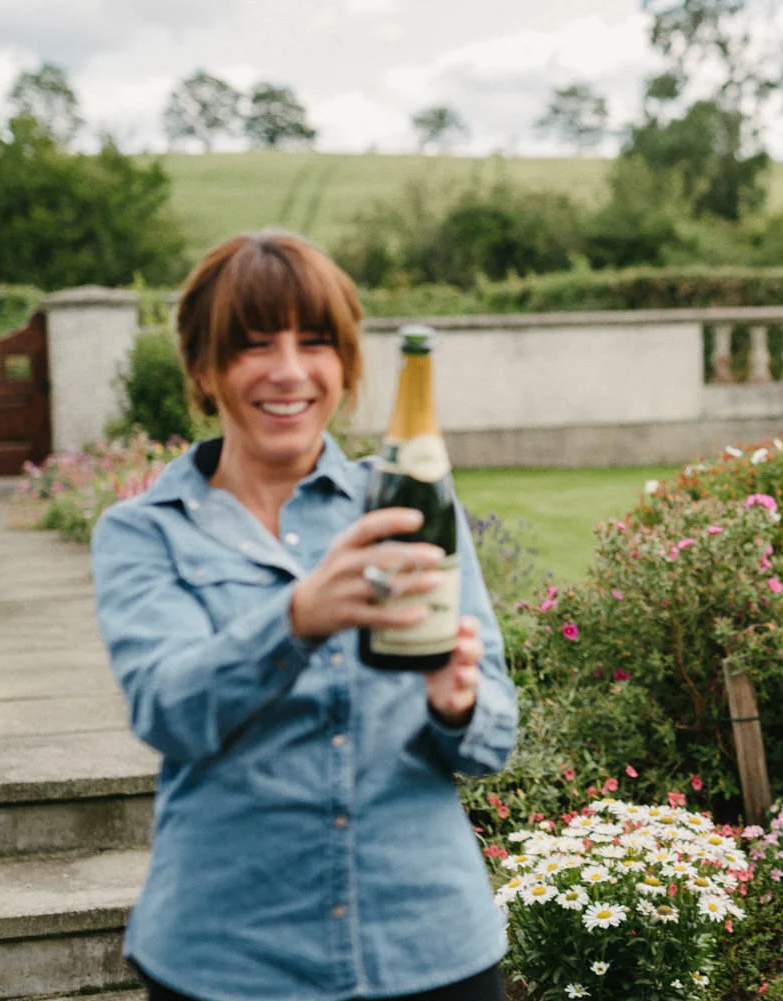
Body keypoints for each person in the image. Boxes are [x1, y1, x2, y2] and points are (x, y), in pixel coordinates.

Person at [91, 231, 517, 1001]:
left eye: (315, 342)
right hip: (228, 963)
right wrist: (295, 617)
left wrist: (458, 704)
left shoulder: (409, 506)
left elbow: (494, 734)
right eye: (254, 345)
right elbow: (167, 709)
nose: (289, 371)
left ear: (346, 365)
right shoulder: (144, 532)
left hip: (429, 952)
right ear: (203, 367)